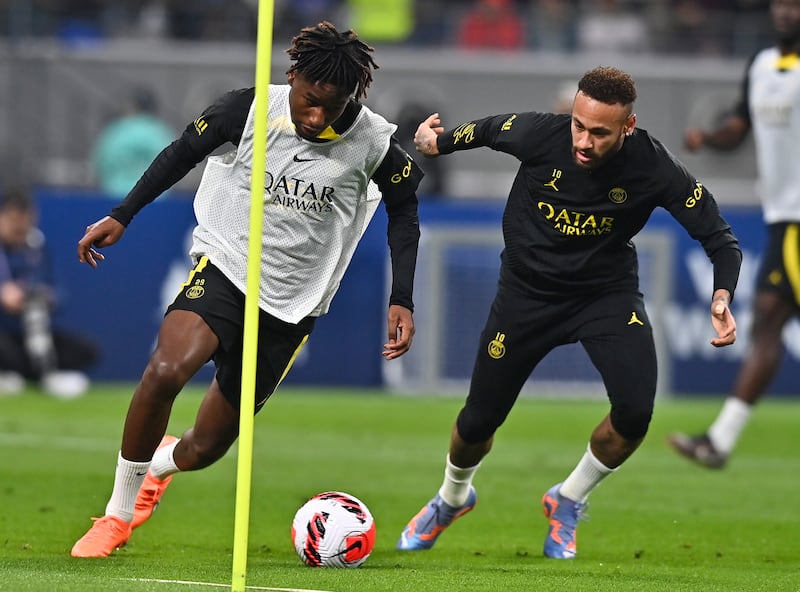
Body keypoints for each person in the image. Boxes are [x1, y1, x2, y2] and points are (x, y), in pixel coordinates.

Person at [70, 21, 423, 558]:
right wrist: (124, 213)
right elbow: (182, 151)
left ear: (352, 95)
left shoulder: (373, 142)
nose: (315, 117)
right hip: (228, 266)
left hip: (293, 302)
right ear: (293, 76)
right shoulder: (250, 108)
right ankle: (117, 515)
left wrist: (402, 297)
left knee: (206, 447)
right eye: (308, 100)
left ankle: (160, 466)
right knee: (165, 370)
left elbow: (404, 212)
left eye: (331, 107)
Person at [395, 66, 741, 560]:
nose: (583, 139)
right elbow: (489, 130)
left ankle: (568, 498)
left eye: (599, 132)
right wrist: (437, 142)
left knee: (636, 414)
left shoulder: (654, 167)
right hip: (525, 298)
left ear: (629, 126)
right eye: (579, 124)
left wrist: (722, 294)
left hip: (605, 297)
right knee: (476, 423)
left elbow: (719, 238)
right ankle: (451, 499)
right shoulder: (541, 133)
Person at [667, 0, 800, 469]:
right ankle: (719, 441)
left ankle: (719, 441)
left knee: (768, 320)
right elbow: (742, 126)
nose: (786, 12)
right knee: (767, 321)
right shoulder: (762, 64)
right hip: (784, 219)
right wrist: (708, 137)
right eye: (781, 3)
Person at [0, 186, 98, 399]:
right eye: (12, 220)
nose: (19, 227)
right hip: (3, 331)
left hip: (31, 331)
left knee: (86, 350)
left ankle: (34, 373)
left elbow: (59, 292)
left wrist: (46, 296)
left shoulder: (37, 248)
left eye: (24, 220)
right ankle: (23, 373)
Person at [91, 87, 176, 199]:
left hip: (115, 195)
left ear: (132, 106)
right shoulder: (160, 131)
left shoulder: (116, 130)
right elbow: (175, 164)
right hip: (156, 198)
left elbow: (99, 162)